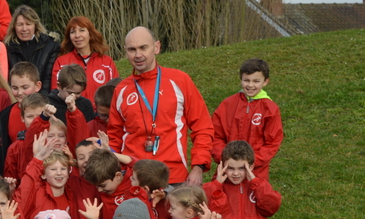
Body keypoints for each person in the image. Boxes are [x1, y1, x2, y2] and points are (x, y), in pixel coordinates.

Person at [108, 27, 213, 185]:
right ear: (126, 51)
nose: (138, 55)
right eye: (132, 49)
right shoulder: (121, 89)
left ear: (156, 47)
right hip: (133, 179)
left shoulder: (179, 80)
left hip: (173, 178)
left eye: (143, 47)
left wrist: (198, 167)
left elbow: (203, 127)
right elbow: (114, 137)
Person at [211, 58, 283, 181]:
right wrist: (225, 159)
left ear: (265, 82)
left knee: (256, 194)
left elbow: (272, 142)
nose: (250, 85)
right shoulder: (227, 104)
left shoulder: (270, 109)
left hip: (255, 173)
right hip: (228, 172)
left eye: (256, 81)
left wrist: (251, 162)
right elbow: (215, 135)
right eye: (246, 80)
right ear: (241, 79)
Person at [51, 16, 117, 103]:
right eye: (73, 32)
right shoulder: (61, 62)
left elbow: (116, 92)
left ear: (90, 34)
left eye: (82, 30)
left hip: (99, 111)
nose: (77, 35)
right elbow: (56, 93)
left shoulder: (107, 62)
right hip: (70, 110)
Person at [4, 6, 57, 95]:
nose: (24, 29)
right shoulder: (7, 47)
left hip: (41, 98)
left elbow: (48, 78)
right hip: (16, 97)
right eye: (20, 24)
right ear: (14, 26)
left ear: (35, 25)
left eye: (28, 24)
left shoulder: (50, 46)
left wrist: (38, 101)